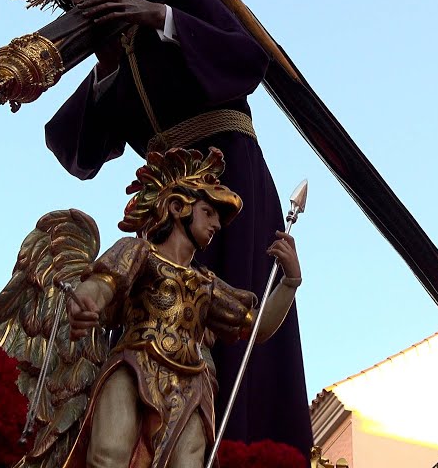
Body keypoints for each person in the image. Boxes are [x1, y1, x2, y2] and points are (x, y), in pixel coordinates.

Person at [5, 0, 312, 456]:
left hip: (230, 177)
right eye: (70, 0)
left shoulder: (183, 3)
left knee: (233, 304)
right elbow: (77, 151)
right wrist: (102, 67)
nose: (81, 3)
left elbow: (249, 59)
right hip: (163, 201)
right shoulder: (109, 62)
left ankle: (239, 444)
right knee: (155, 312)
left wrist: (155, 18)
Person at [63, 147, 303, 468]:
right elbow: (107, 281)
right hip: (134, 365)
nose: (217, 223)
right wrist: (88, 300)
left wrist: (290, 282)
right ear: (178, 207)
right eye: (209, 211)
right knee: (109, 455)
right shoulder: (140, 253)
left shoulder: (206, 284)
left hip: (190, 386)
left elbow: (257, 327)